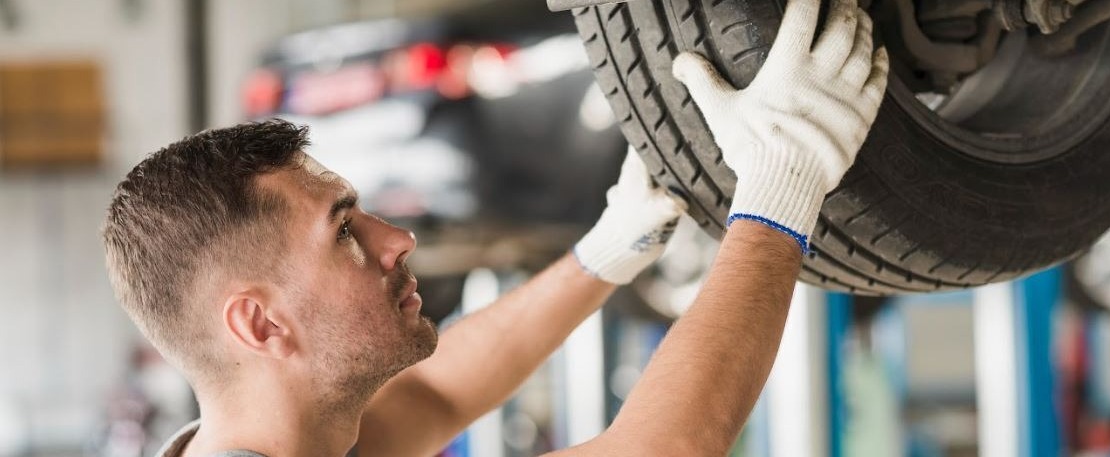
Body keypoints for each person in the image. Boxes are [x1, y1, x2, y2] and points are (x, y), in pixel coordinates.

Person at [100, 0, 887, 454]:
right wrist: (780, 188)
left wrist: (604, 252)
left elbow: (434, 390)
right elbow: (663, 448)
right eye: (343, 233)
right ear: (260, 323)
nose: (396, 238)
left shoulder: (274, 434)